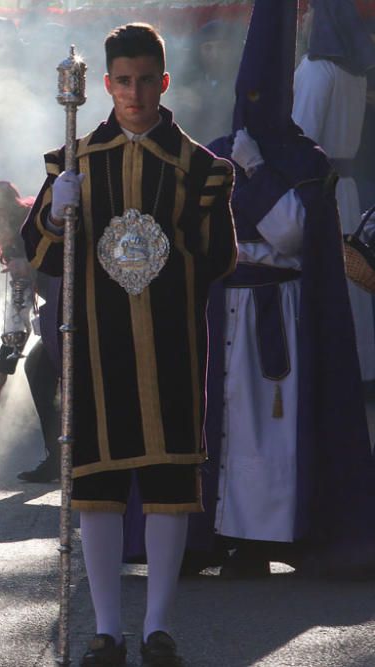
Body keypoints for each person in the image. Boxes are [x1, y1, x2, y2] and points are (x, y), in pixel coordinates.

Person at [21, 23, 236, 667]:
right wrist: (55, 214)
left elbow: (220, 256)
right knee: (97, 483)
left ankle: (159, 628)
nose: (135, 93)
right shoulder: (72, 163)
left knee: (170, 478)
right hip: (95, 344)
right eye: (123, 81)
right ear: (106, 84)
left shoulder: (201, 168)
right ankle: (108, 630)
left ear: (163, 82)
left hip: (169, 344)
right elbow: (45, 261)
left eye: (146, 80)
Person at [196, 0, 375, 579]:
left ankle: (268, 534)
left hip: (279, 304)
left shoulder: (299, 153)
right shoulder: (220, 149)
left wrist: (254, 174)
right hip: (229, 305)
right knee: (226, 419)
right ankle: (224, 529)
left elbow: (293, 232)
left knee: (270, 426)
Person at [293, 0, 375, 382]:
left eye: (310, 11)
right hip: (346, 189)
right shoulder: (356, 73)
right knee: (350, 284)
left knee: (328, 281)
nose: (305, 18)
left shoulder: (317, 70)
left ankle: (334, 372)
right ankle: (359, 369)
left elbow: (302, 138)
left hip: (321, 192)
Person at [0, 180, 61, 484]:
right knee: (40, 366)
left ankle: (69, 456)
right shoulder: (17, 243)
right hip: (60, 314)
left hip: (82, 310)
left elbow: (19, 315)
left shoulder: (34, 231)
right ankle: (59, 456)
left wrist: (1, 372)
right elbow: (18, 311)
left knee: (42, 367)